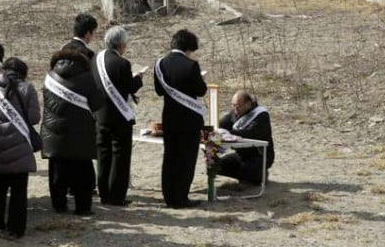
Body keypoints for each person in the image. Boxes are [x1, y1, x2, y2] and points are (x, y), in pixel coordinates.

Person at [41, 44, 102, 216]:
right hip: (80, 135)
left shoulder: (49, 77)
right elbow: (97, 104)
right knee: (83, 172)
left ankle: (59, 206)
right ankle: (82, 207)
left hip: (54, 133)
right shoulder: (87, 78)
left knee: (57, 172)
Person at [0, 57, 40, 238]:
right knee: (18, 194)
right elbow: (34, 118)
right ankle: (15, 230)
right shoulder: (28, 88)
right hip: (20, 147)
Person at [153, 29, 207, 208]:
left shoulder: (160, 64)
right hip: (188, 120)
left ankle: (169, 197)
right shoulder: (191, 66)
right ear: (188, 47)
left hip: (169, 118)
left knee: (170, 158)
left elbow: (160, 91)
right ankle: (181, 197)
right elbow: (201, 90)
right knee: (185, 160)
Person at [92, 26, 143, 206]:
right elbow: (129, 86)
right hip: (119, 116)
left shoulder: (95, 59)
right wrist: (139, 79)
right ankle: (117, 196)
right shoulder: (123, 64)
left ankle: (104, 194)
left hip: (100, 114)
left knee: (103, 155)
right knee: (120, 156)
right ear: (121, 44)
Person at [217, 90, 275, 185]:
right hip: (242, 155)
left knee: (250, 170)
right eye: (233, 105)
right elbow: (222, 124)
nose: (235, 109)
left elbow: (249, 134)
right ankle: (246, 176)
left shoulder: (261, 116)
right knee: (214, 166)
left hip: (259, 156)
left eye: (238, 106)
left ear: (248, 104)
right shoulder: (236, 112)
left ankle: (261, 175)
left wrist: (227, 133)